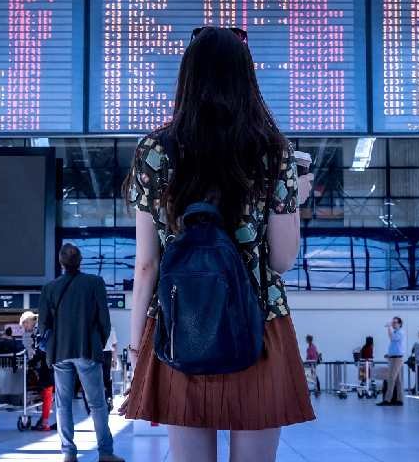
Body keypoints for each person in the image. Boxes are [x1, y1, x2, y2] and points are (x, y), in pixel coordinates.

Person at [119, 26, 315, 462]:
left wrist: (138, 348)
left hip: (180, 322)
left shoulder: (155, 150)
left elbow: (147, 264)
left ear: (187, 78)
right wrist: (293, 201)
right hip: (259, 322)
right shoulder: (273, 151)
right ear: (246, 78)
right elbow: (282, 260)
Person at [39, 243, 123, 462]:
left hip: (59, 352)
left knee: (63, 404)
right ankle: (105, 452)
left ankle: (68, 453)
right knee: (97, 403)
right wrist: (98, 342)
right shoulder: (95, 283)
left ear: (60, 262)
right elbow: (104, 319)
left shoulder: (50, 288)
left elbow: (43, 325)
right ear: (80, 260)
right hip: (87, 349)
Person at [378, 317, 405, 407]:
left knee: (391, 378)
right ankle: (399, 400)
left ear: (400, 324)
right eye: (392, 322)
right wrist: (388, 354)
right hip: (393, 358)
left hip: (397, 359)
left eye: (395, 322)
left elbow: (392, 338)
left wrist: (389, 327)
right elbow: (394, 346)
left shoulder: (400, 332)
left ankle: (387, 400)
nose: (393, 324)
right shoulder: (395, 332)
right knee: (398, 380)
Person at [103, 328, 118, 412]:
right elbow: (114, 345)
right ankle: (109, 400)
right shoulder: (111, 328)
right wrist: (115, 360)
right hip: (107, 355)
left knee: (97, 380)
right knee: (107, 379)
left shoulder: (92, 324)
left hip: (95, 354)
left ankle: (99, 403)